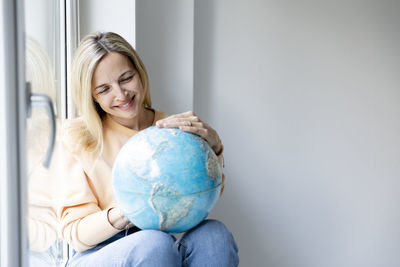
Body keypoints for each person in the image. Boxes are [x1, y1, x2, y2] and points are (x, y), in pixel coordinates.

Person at [57, 31, 239, 266]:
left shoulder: (172, 130)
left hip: (158, 251)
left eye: (125, 78)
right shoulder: (77, 137)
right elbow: (75, 235)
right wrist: (131, 209)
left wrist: (214, 147)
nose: (121, 95)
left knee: (215, 236)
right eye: (104, 89)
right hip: (98, 253)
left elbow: (202, 198)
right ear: (92, 97)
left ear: (139, 73)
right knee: (154, 244)